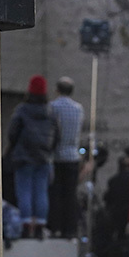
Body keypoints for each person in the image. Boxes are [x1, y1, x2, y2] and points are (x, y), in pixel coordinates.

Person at [6, 75, 60, 239]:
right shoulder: (50, 111)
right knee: (41, 191)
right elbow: (57, 135)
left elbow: (12, 132)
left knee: (24, 191)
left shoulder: (22, 110)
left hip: (24, 157)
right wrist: (49, 151)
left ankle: (26, 225)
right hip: (43, 158)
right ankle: (40, 225)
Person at [48, 76, 85, 239]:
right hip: (73, 156)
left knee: (56, 193)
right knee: (70, 194)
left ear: (57, 90)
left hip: (56, 156)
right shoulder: (78, 108)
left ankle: (55, 227)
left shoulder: (53, 107)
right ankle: (70, 229)